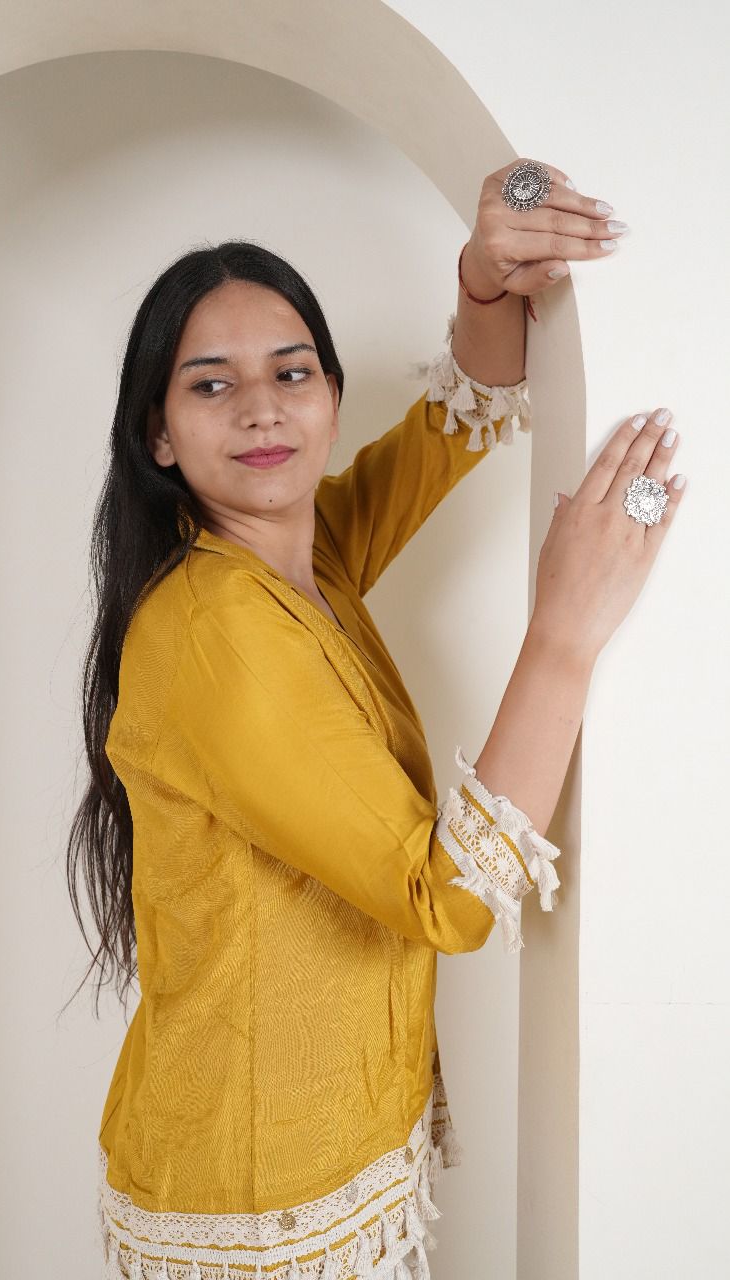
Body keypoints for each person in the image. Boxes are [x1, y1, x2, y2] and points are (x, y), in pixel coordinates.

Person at [63, 159, 686, 1280]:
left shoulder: (305, 561)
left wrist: (485, 279)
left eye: (290, 371)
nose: (261, 406)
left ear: (330, 395)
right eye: (209, 386)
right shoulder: (216, 632)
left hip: (322, 1162)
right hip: (255, 1212)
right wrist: (565, 630)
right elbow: (443, 896)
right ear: (156, 435)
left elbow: (457, 419)